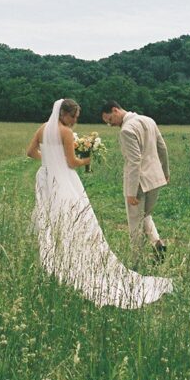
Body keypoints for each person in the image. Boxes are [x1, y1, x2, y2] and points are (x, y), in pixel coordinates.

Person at [26, 98, 171, 308]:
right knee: (78, 217)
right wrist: (87, 160)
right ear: (64, 114)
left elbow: (30, 152)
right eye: (74, 117)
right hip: (68, 179)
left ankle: (52, 258)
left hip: (46, 179)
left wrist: (50, 160)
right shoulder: (66, 132)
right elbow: (72, 162)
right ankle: (142, 256)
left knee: (50, 216)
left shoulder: (42, 129)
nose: (75, 122)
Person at [100, 101, 169, 261]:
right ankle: (158, 244)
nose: (110, 125)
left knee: (134, 224)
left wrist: (131, 192)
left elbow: (134, 161)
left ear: (115, 110)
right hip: (155, 179)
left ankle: (136, 259)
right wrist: (165, 172)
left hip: (139, 183)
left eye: (109, 120)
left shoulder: (126, 130)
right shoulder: (148, 120)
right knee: (146, 215)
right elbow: (162, 148)